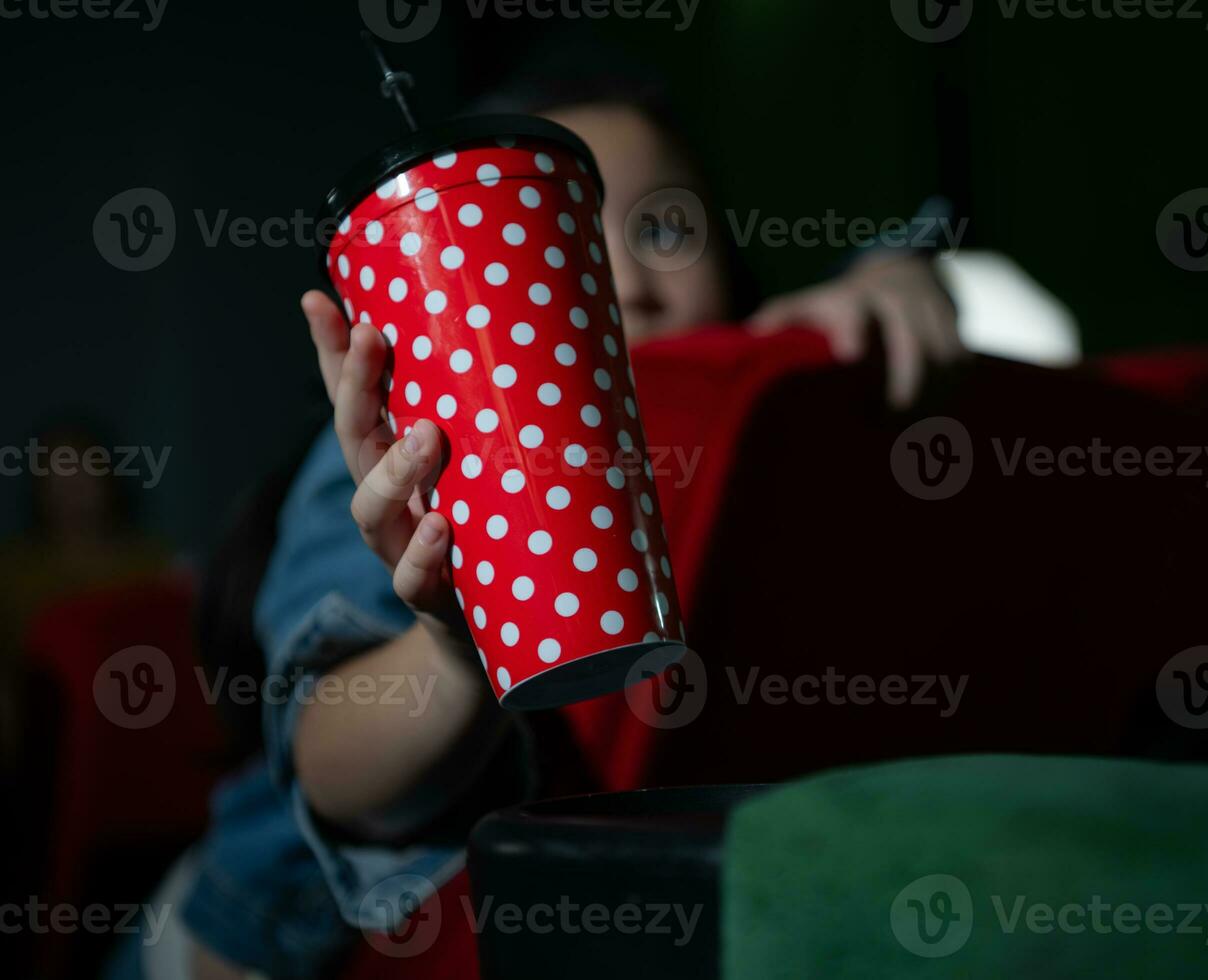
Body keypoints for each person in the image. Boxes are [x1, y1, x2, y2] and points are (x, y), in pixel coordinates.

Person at [110, 62, 962, 980]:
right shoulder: (407, 444)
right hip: (257, 934)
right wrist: (454, 647)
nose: (625, 280)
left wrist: (893, 274)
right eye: (560, 236)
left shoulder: (732, 410)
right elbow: (333, 772)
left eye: (666, 227)